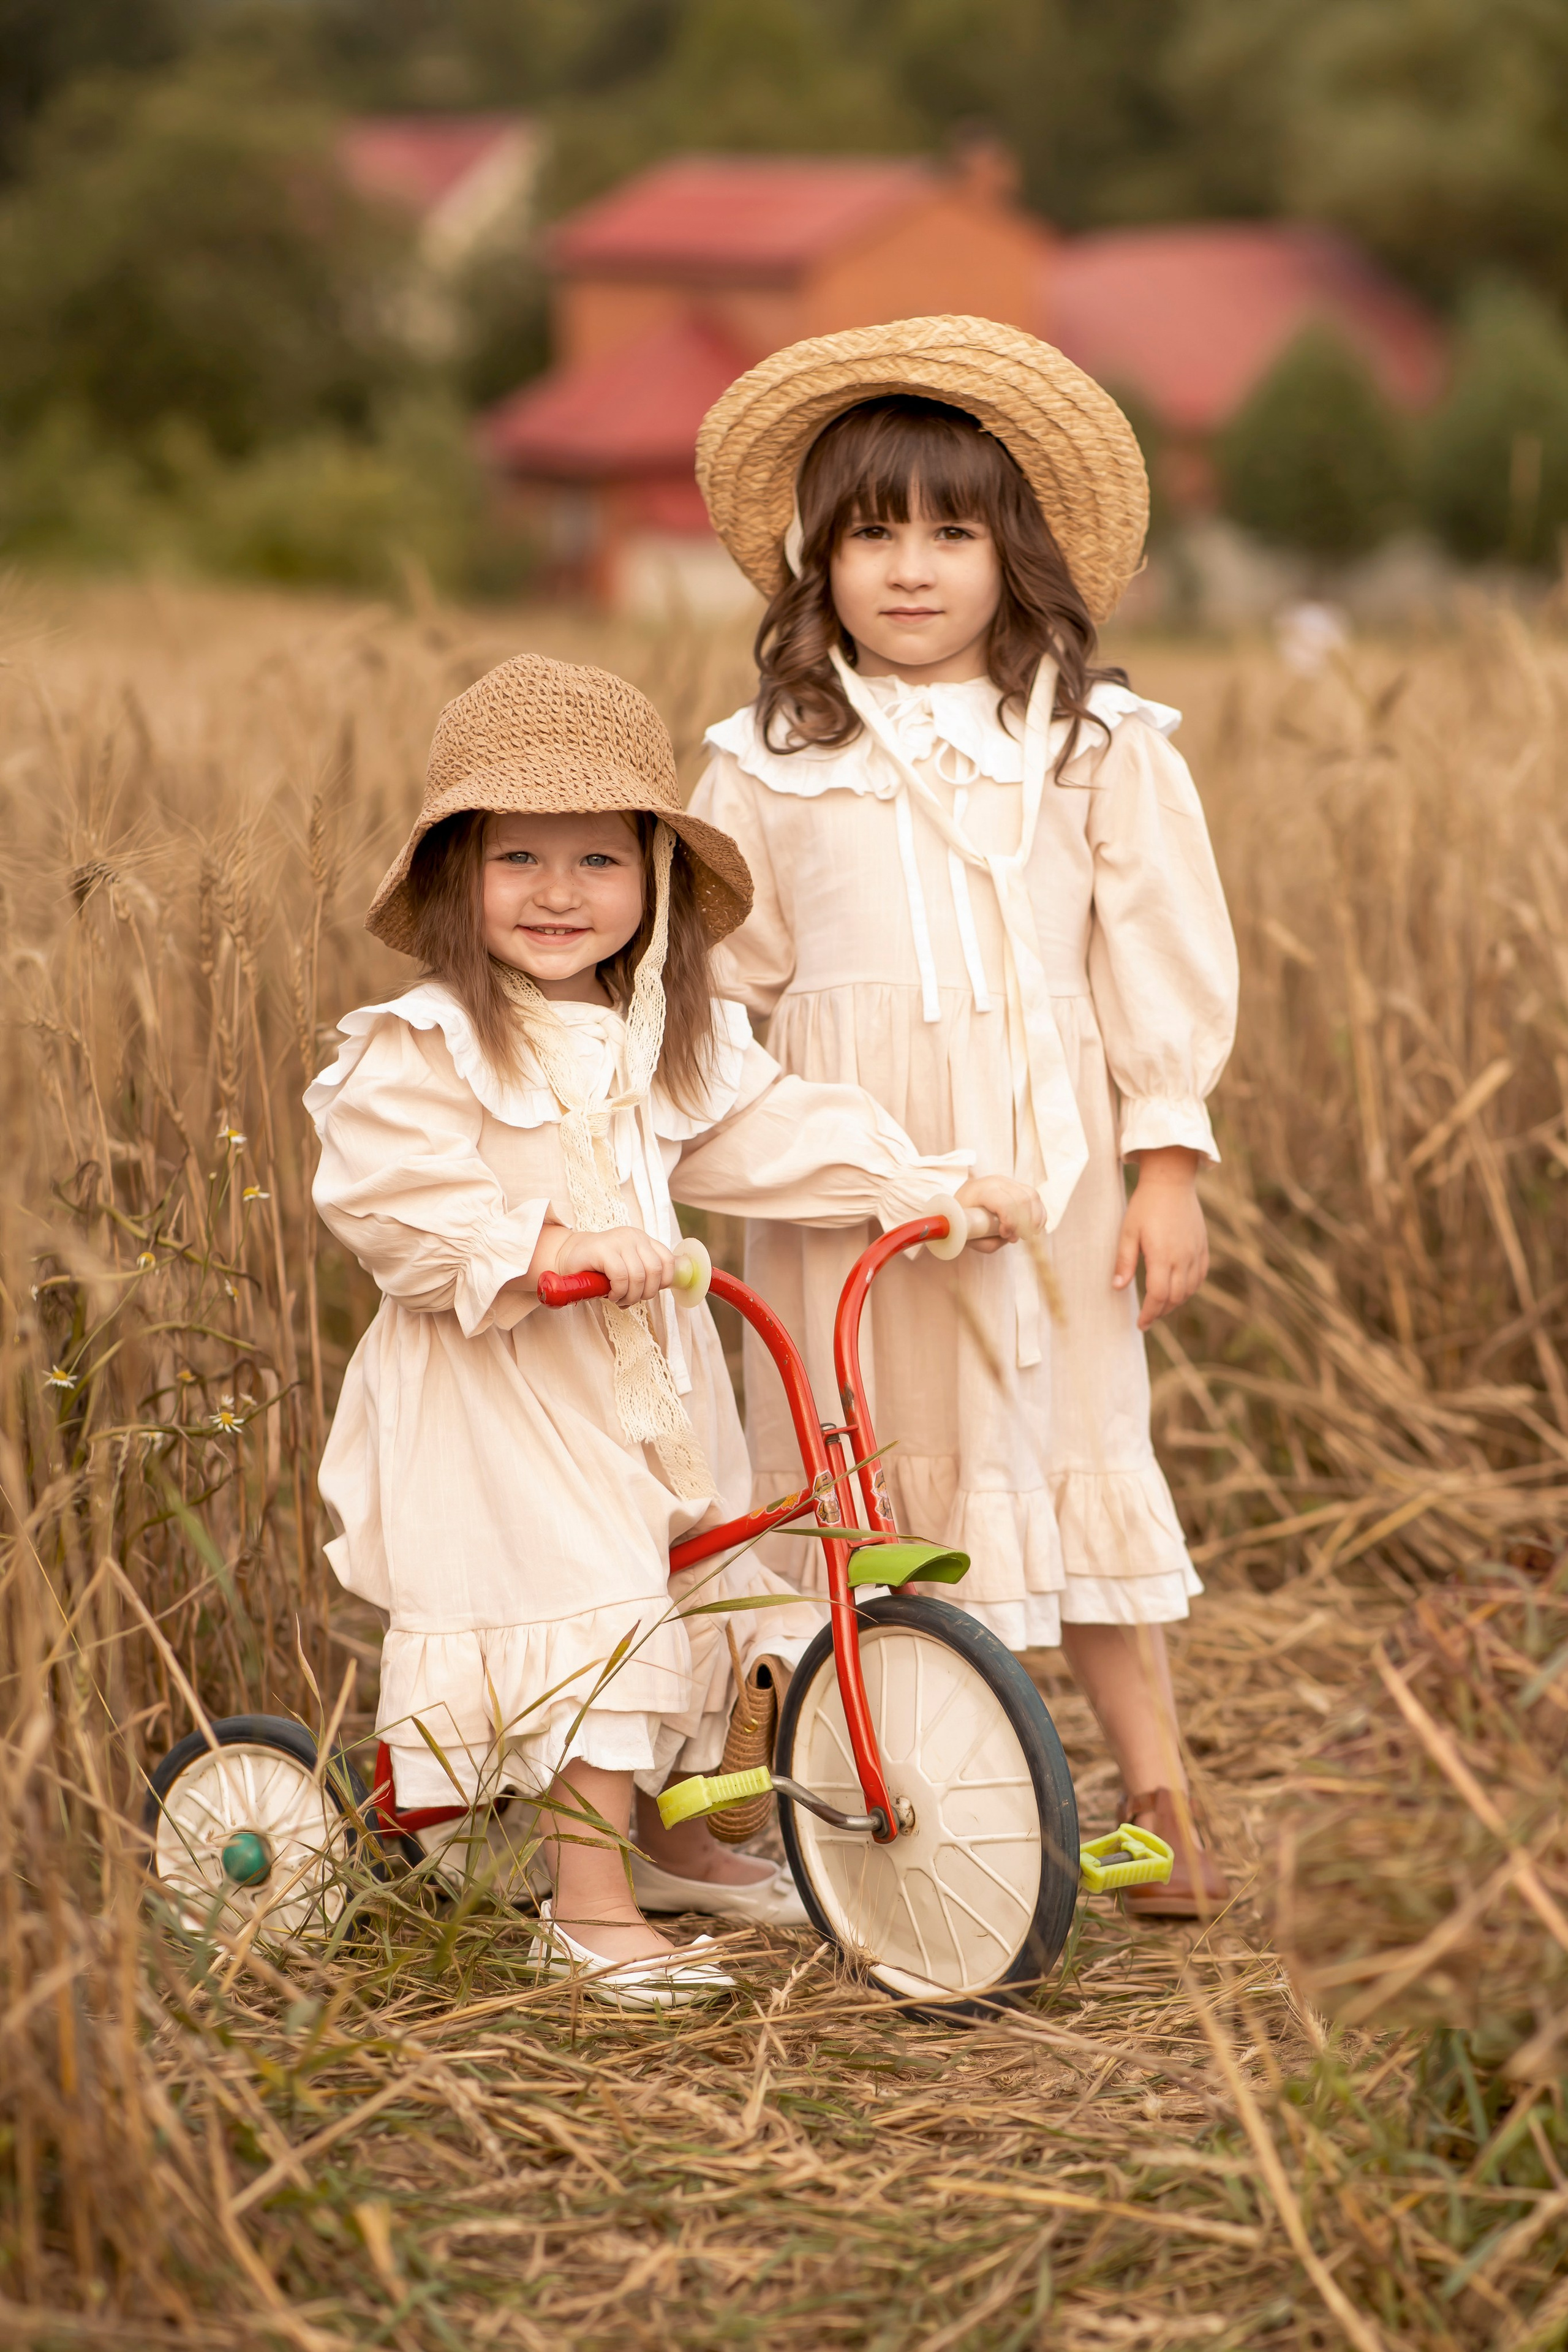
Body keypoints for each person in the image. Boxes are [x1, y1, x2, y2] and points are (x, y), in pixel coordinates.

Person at [307, 652, 1039, 2007]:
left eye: (597, 860)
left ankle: (675, 1841)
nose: (556, 893)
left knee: (698, 1573)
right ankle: (582, 1909)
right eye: (516, 857)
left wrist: (928, 1188)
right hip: (505, 1383)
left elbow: (770, 1132)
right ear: (456, 875)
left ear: (650, 877)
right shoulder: (421, 1043)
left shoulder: (654, 1033)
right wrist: (548, 1248)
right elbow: (389, 1197)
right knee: (590, 1598)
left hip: (645, 1375)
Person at [688, 317, 1239, 1915]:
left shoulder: (1094, 745)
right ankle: (883, 1786)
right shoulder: (770, 764)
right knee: (865, 1466)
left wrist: (1167, 1164)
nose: (911, 569)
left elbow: (1157, 965)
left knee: (1075, 1441)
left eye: (952, 532)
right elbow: (727, 997)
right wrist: (769, 1155)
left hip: (1048, 1180)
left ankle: (1156, 1788)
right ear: (816, 560)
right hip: (850, 1174)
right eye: (871, 535)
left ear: (1019, 553)